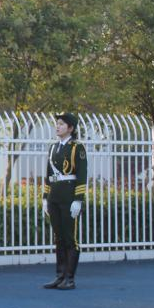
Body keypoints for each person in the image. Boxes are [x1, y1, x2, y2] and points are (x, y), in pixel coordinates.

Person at [43, 113, 88, 290]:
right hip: (54, 197)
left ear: (70, 128)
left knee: (70, 239)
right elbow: (48, 175)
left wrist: (78, 200)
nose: (58, 126)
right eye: (57, 124)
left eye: (61, 124)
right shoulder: (53, 147)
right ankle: (59, 276)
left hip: (69, 197)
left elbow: (82, 175)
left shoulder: (77, 147)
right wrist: (45, 198)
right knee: (59, 238)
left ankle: (70, 278)